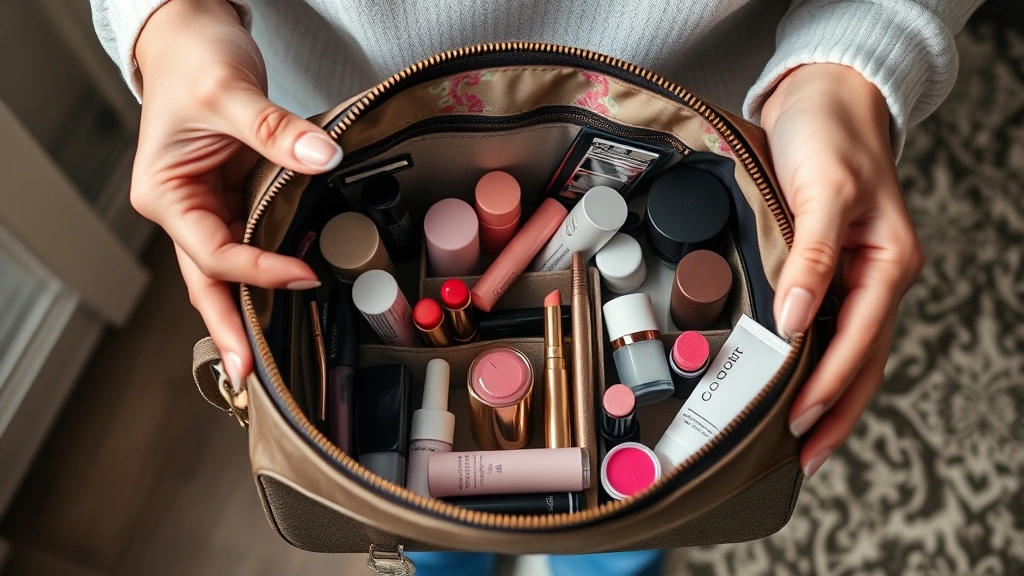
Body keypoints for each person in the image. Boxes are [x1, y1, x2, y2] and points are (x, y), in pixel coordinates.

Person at [90, 0, 981, 574]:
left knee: (633, 517)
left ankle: (604, 557)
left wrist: (853, 64)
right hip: (317, 109)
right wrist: (172, 26)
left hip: (725, 106)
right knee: (427, 524)